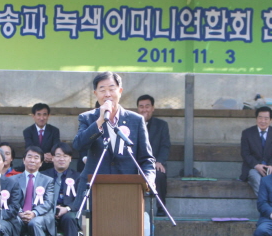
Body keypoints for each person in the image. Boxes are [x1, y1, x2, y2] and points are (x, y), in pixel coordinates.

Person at [73, 71, 157, 200]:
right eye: (102, 90)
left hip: (126, 188)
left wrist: (149, 178)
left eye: (112, 89)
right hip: (93, 188)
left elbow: (146, 159)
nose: (107, 94)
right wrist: (99, 121)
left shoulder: (136, 120)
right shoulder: (87, 118)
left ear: (120, 91)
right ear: (95, 93)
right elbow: (79, 144)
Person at [12, 146, 56, 236]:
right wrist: (20, 212)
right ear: (24, 160)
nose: (32, 160)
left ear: (41, 163)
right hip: (19, 214)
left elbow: (48, 203)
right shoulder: (13, 179)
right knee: (15, 222)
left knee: (34, 223)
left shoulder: (48, 181)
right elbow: (11, 201)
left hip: (40, 216)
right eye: (29, 157)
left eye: (36, 158)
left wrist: (34, 213)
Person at [44, 141, 83, 236]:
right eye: (58, 155)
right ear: (52, 157)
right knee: (41, 220)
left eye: (65, 156)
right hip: (48, 212)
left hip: (68, 212)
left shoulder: (78, 177)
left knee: (70, 219)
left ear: (70, 158)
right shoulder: (44, 175)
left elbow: (80, 199)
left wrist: (66, 209)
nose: (62, 159)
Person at [239, 106, 272, 197]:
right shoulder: (247, 133)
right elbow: (245, 153)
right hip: (253, 168)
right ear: (256, 118)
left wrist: (271, 166)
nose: (263, 121)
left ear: (271, 120)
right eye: (260, 117)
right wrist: (257, 165)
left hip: (271, 168)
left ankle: (269, 208)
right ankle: (268, 208)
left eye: (266, 118)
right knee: (257, 180)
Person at [136, 94, 171, 207]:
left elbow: (165, 146)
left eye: (147, 106)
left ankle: (161, 209)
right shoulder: (132, 124)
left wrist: (160, 161)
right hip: (135, 163)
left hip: (154, 163)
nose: (144, 109)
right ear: (138, 109)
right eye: (141, 107)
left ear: (152, 108)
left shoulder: (162, 125)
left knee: (160, 175)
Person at [23, 103, 60, 170]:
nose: (42, 118)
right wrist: (42, 156)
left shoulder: (54, 130)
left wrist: (50, 156)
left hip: (49, 164)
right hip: (33, 164)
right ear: (33, 116)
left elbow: (56, 147)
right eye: (39, 114)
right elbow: (29, 147)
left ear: (48, 116)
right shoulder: (28, 131)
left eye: (44, 114)